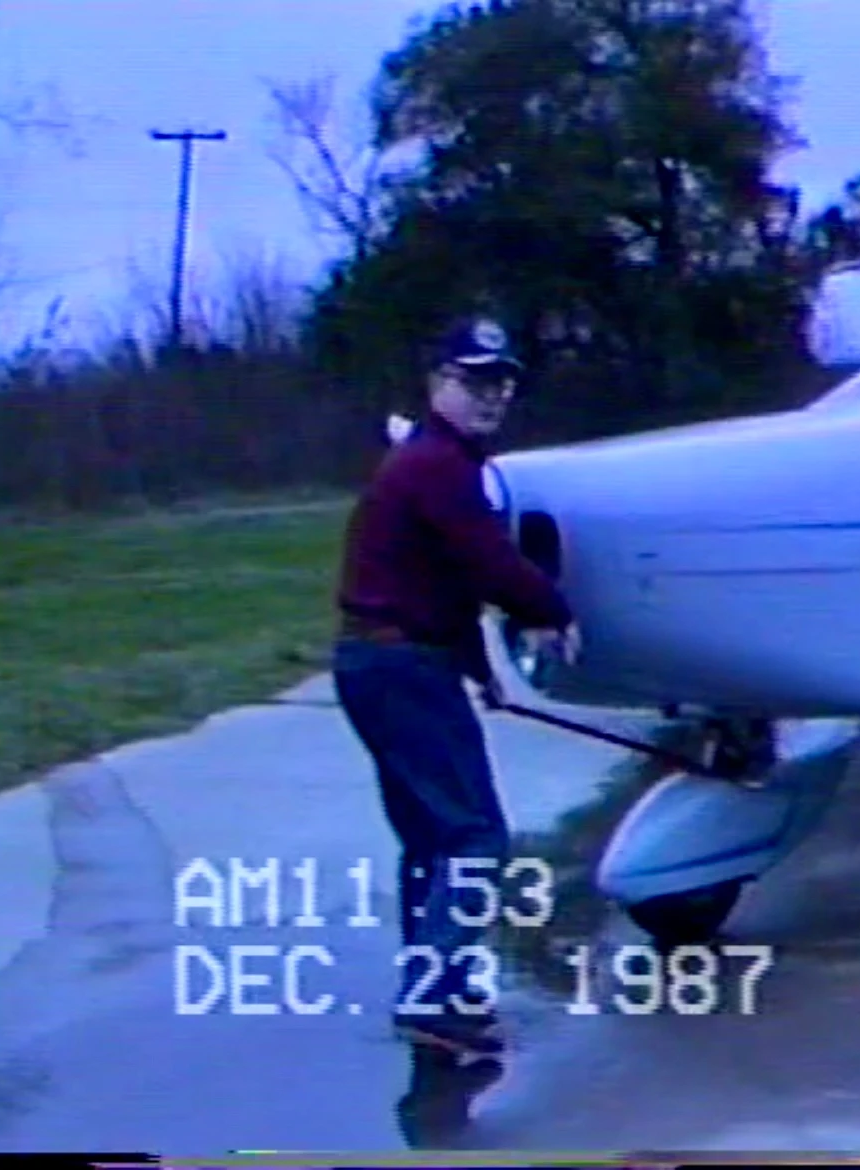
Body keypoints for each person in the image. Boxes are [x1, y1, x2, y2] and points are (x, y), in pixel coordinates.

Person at [333, 315, 577, 1076]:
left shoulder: (430, 460)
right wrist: (552, 609)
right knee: (476, 839)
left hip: (380, 662)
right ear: (438, 383)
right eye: (473, 381)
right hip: (401, 667)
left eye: (500, 381)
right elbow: (488, 561)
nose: (490, 396)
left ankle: (445, 988)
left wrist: (478, 672)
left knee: (432, 840)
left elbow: (445, 578)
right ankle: (435, 999)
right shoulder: (439, 467)